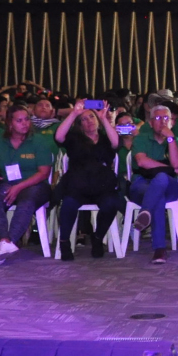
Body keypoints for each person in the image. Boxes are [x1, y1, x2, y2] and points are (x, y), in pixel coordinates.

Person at [0, 105, 55, 265]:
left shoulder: (39, 141)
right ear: (10, 123)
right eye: (19, 120)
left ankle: (9, 242)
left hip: (35, 184)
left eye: (27, 119)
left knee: (26, 202)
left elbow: (44, 172)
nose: (25, 124)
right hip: (7, 183)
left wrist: (18, 187)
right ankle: (4, 242)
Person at [53, 100, 123, 260]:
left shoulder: (106, 138)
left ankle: (97, 238)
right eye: (83, 119)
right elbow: (59, 136)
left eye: (91, 117)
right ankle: (64, 242)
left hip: (102, 185)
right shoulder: (74, 138)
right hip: (78, 184)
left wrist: (104, 119)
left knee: (111, 204)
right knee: (69, 204)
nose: (88, 121)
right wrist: (74, 113)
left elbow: (116, 143)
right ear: (80, 125)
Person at [129, 105, 178, 264]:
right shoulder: (141, 138)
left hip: (170, 186)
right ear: (150, 122)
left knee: (161, 178)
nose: (162, 122)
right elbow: (142, 162)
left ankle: (145, 212)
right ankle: (160, 249)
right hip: (141, 184)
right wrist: (170, 168)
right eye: (158, 118)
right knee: (158, 196)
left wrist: (170, 139)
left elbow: (177, 162)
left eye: (166, 118)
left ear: (172, 123)